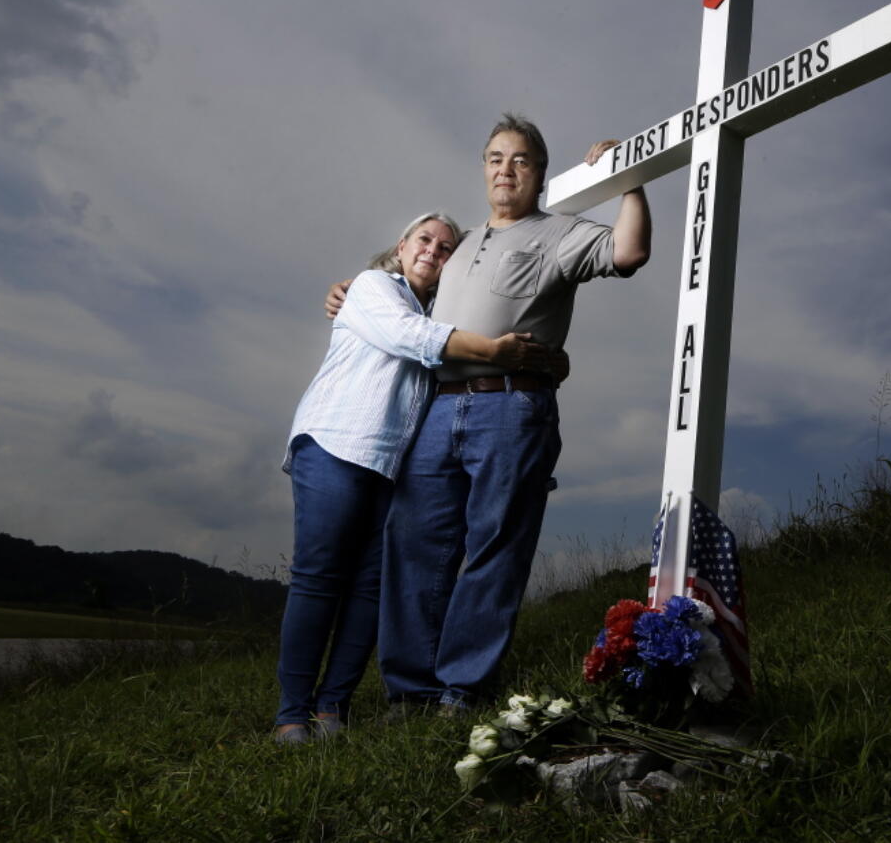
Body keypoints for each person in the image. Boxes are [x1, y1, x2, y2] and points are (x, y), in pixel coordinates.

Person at [326, 115, 651, 712]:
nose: (507, 168)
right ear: (484, 169)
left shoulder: (560, 232)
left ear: (540, 173)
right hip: (436, 408)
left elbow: (629, 251)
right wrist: (352, 293)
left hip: (512, 404)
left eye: (521, 160)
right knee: (414, 542)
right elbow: (408, 293)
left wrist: (630, 179)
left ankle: (462, 689)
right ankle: (410, 691)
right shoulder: (461, 244)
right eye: (496, 158)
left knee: (495, 544)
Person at [275, 211, 550, 745]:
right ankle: (291, 714)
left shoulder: (435, 313)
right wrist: (493, 351)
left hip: (390, 467)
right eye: (425, 239)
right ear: (401, 246)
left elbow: (439, 345)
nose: (433, 250)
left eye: (447, 248)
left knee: (369, 588)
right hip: (334, 444)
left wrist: (539, 364)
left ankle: (333, 707)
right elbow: (410, 336)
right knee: (319, 577)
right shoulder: (374, 287)